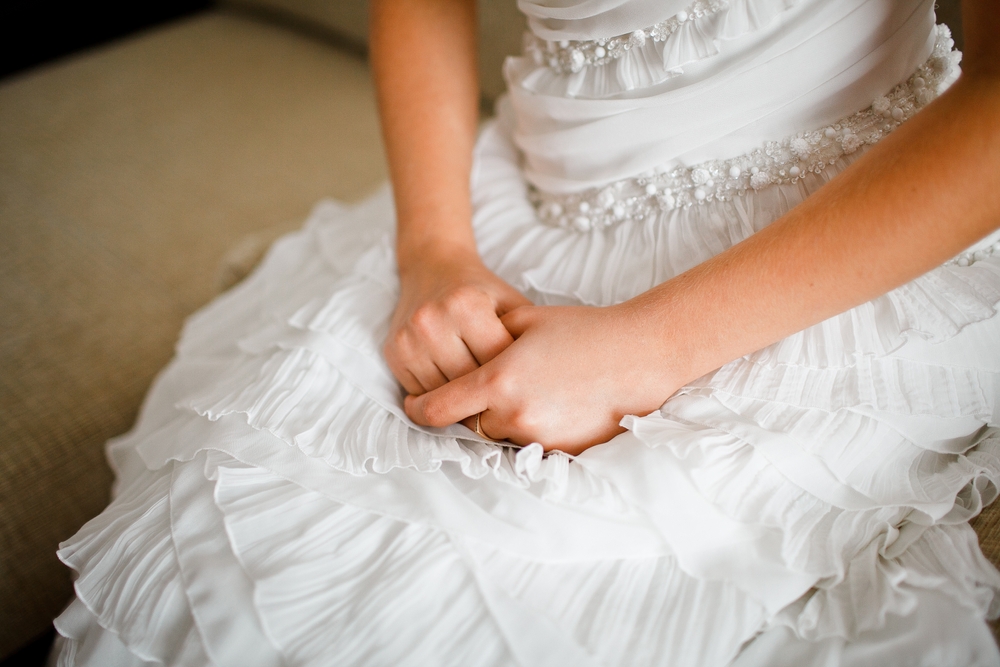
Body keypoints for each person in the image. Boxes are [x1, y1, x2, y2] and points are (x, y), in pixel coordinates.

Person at [51, 0, 1000, 665]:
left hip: (827, 255)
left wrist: (647, 345)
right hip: (503, 215)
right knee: (229, 553)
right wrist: (431, 250)